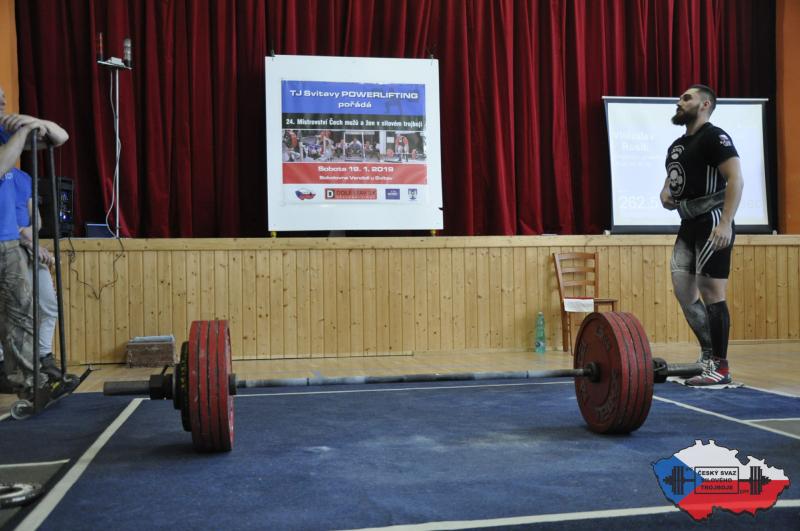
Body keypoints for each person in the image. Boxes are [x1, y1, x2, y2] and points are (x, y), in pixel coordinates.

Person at [659, 84, 743, 386]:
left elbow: (736, 179)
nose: (679, 102)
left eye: (687, 98)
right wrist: (665, 193)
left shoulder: (715, 137)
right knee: (684, 292)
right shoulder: (677, 145)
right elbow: (672, 181)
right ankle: (708, 355)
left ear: (705, 104)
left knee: (711, 292)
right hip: (688, 223)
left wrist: (726, 223)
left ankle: (720, 367)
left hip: (713, 220)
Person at [0, 85, 70, 394]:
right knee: (14, 313)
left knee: (23, 311)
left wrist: (33, 122)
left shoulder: (4, 135)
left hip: (7, 242)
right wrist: (24, 130)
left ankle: (32, 382)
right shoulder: (8, 141)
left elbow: (60, 137)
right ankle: (26, 379)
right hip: (8, 240)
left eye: (4, 98)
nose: (4, 104)